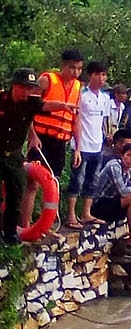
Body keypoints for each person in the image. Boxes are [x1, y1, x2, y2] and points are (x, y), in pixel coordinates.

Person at [1, 68, 78, 244]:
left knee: (15, 194)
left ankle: (10, 233)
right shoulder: (2, 99)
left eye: (30, 88)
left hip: (13, 155)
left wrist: (64, 106)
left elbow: (46, 105)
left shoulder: (30, 103)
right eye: (24, 87)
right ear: (14, 85)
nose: (27, 92)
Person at [21, 49, 84, 229]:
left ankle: (46, 227)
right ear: (63, 66)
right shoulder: (47, 80)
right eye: (72, 68)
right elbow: (28, 108)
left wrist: (77, 147)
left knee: (52, 183)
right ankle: (26, 226)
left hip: (60, 141)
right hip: (41, 137)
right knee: (33, 183)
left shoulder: (78, 87)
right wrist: (32, 135)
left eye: (79, 69)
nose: (76, 72)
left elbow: (76, 118)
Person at [65, 61, 111, 229]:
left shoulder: (105, 98)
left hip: (97, 145)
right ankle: (71, 215)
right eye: (98, 74)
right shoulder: (81, 94)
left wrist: (106, 137)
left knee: (93, 180)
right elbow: (75, 119)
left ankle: (86, 213)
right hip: (81, 144)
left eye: (104, 75)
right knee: (77, 179)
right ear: (90, 75)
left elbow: (104, 121)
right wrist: (76, 144)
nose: (101, 78)